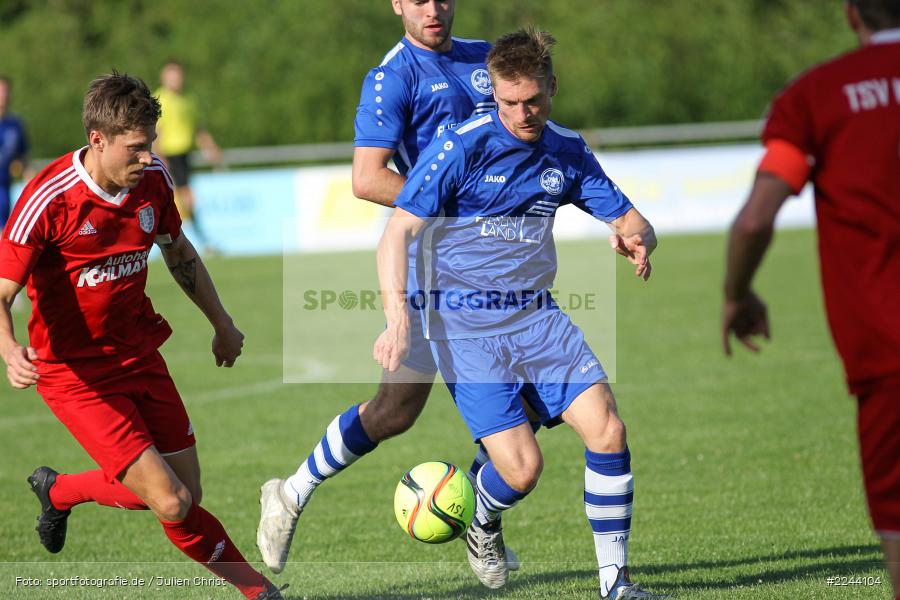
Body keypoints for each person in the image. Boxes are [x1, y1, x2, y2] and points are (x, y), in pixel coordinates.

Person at [374, 27, 666, 599]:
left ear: (551, 89)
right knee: (521, 470)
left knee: (608, 431)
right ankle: (482, 514)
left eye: (532, 100)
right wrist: (397, 319)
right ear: (495, 94)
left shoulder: (566, 149)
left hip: (539, 320)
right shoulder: (462, 146)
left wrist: (637, 238)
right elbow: (396, 234)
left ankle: (616, 584)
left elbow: (634, 219)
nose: (521, 113)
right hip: (464, 327)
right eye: (509, 102)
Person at [257, 0, 522, 575]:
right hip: (439, 267)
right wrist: (448, 206)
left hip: (501, 263)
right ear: (397, 4)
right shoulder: (392, 77)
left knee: (431, 405)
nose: (433, 8)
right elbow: (367, 176)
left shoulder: (486, 58)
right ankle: (292, 494)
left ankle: (481, 518)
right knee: (404, 408)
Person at [0, 73, 285, 600]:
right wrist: (8, 347)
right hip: (75, 375)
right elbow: (1, 290)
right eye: (135, 147)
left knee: (187, 495)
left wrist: (221, 323)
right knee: (172, 502)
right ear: (98, 141)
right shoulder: (49, 198)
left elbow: (178, 252)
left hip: (139, 354)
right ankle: (260, 592)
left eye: (151, 142)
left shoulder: (152, 179)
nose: (148, 155)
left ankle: (59, 491)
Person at [722, 1, 900, 598]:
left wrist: (737, 295)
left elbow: (754, 220)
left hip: (888, 352)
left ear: (853, 14)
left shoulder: (818, 97)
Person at [154, 61, 221, 252]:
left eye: (178, 76)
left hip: (183, 156)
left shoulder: (188, 100)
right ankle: (182, 241)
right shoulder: (160, 99)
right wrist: (160, 157)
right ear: (164, 78)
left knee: (185, 201)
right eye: (171, 76)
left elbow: (197, 128)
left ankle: (184, 241)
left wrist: (210, 147)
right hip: (168, 156)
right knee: (174, 200)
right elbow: (156, 131)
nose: (176, 80)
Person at [0, 76, 29, 231]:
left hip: (4, 186)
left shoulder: (15, 125)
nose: (3, 95)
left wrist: (30, 181)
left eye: (5, 91)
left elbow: (23, 157)